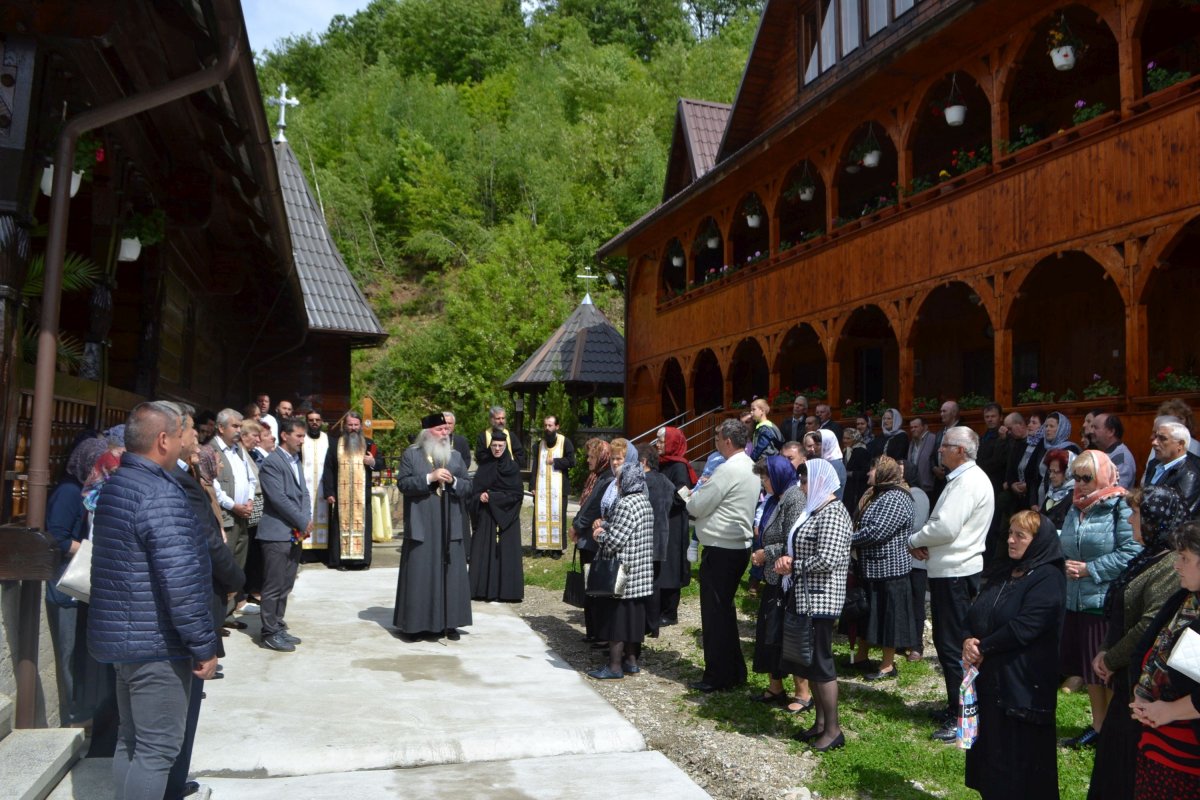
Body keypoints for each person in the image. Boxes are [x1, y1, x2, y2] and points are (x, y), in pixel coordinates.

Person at [88, 402, 218, 799]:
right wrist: (202, 643)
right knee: (157, 750)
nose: (186, 442)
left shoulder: (118, 484)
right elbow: (181, 580)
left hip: (126, 642)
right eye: (182, 434)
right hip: (156, 644)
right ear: (164, 439)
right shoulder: (160, 493)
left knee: (132, 740)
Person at [1088, 486, 1189, 800]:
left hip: (1139, 682)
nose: (1131, 519)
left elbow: (1149, 623)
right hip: (1124, 676)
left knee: (1125, 765)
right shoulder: (1149, 556)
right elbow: (1120, 606)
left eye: (1137, 513)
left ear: (1156, 519)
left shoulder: (1173, 565)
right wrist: (1105, 651)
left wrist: (1111, 658)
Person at [167, 404, 244, 800]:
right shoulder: (177, 483)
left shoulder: (178, 475)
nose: (198, 435)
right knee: (177, 710)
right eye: (191, 429)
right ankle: (171, 783)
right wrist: (235, 579)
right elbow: (206, 543)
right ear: (169, 436)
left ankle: (174, 778)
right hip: (192, 601)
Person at [962, 511, 1066, 799]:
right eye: (1010, 532)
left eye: (1020, 535)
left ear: (1038, 541)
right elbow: (976, 611)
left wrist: (983, 647)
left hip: (1023, 688)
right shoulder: (1005, 571)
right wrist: (968, 640)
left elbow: (1026, 627)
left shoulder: (1048, 578)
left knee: (1019, 767)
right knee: (992, 761)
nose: (1011, 540)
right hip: (991, 684)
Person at [907, 425, 994, 742]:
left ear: (961, 450)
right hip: (951, 568)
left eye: (944, 446)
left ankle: (963, 716)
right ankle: (954, 706)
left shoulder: (968, 482)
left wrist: (915, 538)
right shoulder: (963, 479)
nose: (939, 450)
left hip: (956, 571)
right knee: (950, 645)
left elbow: (946, 527)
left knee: (954, 647)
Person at [1059, 450, 1139, 749]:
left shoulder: (1119, 505)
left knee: (1107, 667)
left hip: (1105, 599)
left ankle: (1116, 731)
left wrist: (1090, 569)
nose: (1079, 484)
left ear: (1103, 476)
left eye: (1086, 477)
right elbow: (1066, 543)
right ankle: (1098, 725)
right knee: (1088, 667)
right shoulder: (1075, 507)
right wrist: (1064, 562)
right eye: (1075, 477)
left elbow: (1133, 551)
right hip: (1076, 598)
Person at [779, 458, 853, 752]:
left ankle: (833, 730)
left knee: (822, 662)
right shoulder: (816, 509)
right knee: (811, 662)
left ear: (821, 481)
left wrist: (793, 565)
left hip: (822, 597)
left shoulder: (834, 512)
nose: (802, 486)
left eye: (806, 481)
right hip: (807, 595)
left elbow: (828, 559)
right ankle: (821, 725)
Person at [685, 418, 759, 692]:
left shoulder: (728, 469)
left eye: (717, 438)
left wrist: (690, 501)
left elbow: (699, 504)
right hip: (737, 547)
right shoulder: (750, 466)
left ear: (728, 441)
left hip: (721, 548)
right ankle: (734, 670)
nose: (715, 442)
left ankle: (717, 675)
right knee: (725, 612)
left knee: (715, 616)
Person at [1128, 520, 1200, 798]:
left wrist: (1168, 711)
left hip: (1188, 758)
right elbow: (1150, 649)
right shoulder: (1185, 599)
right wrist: (1142, 695)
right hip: (1157, 741)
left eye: (1185, 558)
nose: (1176, 565)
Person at [45, 435, 107, 726]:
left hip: (79, 587)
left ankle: (83, 710)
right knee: (68, 655)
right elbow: (56, 538)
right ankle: (72, 713)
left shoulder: (84, 491)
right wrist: (92, 551)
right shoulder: (69, 492)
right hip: (65, 587)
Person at [393, 413, 473, 640]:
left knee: (451, 574)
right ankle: (416, 626)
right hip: (423, 525)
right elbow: (404, 484)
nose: (445, 433)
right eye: (440, 430)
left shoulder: (455, 457)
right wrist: (429, 478)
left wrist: (454, 482)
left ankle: (450, 624)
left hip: (450, 525)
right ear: (427, 432)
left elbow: (468, 487)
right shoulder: (412, 454)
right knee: (421, 574)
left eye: (447, 430)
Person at [849, 456, 918, 680]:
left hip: (890, 570)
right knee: (867, 615)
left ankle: (888, 665)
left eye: (873, 469)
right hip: (870, 567)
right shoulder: (877, 493)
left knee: (889, 619)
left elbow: (876, 532)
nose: (869, 473)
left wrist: (846, 538)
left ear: (884, 473)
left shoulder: (897, 496)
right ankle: (861, 656)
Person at [749, 456, 809, 711]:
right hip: (773, 576)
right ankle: (775, 687)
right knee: (770, 632)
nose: (763, 483)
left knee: (789, 634)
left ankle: (803, 693)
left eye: (765, 477)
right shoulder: (776, 498)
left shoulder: (794, 498)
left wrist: (766, 553)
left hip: (788, 578)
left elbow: (794, 540)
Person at [587, 462, 655, 680]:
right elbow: (628, 529)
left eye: (618, 479)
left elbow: (614, 542)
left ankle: (614, 666)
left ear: (626, 480)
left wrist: (598, 534)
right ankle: (631, 661)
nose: (616, 482)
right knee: (633, 620)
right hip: (640, 573)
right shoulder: (644, 501)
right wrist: (607, 526)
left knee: (616, 621)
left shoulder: (626, 503)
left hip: (623, 574)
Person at [256, 416, 312, 653]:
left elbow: (304, 492)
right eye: (298, 436)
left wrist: (306, 519)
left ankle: (278, 624)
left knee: (286, 583)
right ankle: (269, 631)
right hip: (276, 532)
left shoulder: (295, 460)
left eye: (303, 436)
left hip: (294, 531)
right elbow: (278, 499)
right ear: (285, 436)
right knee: (274, 583)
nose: (302, 440)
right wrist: (302, 520)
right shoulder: (272, 463)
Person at [468, 432, 524, 602]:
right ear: (490, 446)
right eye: (494, 445)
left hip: (507, 518)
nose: (497, 449)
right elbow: (474, 492)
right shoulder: (485, 466)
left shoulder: (512, 468)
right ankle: (481, 589)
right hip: (486, 516)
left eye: (500, 446)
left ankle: (507, 592)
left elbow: (516, 495)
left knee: (506, 553)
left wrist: (493, 497)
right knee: (484, 552)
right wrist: (480, 497)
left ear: (506, 447)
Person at [321, 411, 378, 569]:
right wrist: (329, 492)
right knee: (340, 526)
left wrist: (372, 461)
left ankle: (362, 561)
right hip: (342, 496)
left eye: (356, 425)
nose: (353, 428)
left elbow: (380, 464)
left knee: (363, 526)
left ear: (360, 426)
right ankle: (341, 561)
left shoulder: (369, 443)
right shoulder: (335, 444)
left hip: (362, 495)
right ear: (344, 426)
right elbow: (328, 469)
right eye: (350, 425)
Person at [571, 438, 614, 641]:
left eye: (592, 456)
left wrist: (577, 526)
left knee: (594, 588)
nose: (588, 460)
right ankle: (593, 632)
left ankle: (598, 633)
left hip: (593, 540)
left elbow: (592, 508)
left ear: (602, 458)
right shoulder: (596, 477)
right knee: (589, 587)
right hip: (587, 538)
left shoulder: (606, 479)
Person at [656, 427, 695, 626]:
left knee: (671, 563)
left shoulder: (679, 466)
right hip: (661, 520)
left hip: (674, 520)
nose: (658, 444)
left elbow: (685, 494)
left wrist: (663, 502)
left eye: (662, 441)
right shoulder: (661, 464)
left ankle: (670, 612)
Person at [531, 414, 575, 555]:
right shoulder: (539, 445)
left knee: (558, 517)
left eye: (550, 425)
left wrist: (555, 461)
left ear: (557, 426)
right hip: (542, 488)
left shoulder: (565, 442)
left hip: (559, 488)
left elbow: (571, 461)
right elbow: (535, 467)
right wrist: (533, 486)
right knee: (540, 515)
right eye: (545, 425)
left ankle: (556, 549)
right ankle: (540, 546)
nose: (547, 428)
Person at [1144, 420, 1200, 518]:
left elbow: (1180, 515)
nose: (1154, 442)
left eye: (1162, 438)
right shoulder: (1153, 465)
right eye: (1156, 437)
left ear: (1180, 444)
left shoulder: (1189, 474)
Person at [300, 409, 332, 561]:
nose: (314, 423)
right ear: (307, 422)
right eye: (311, 420)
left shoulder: (328, 439)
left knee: (324, 517)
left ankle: (323, 553)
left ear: (322, 422)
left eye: (317, 420)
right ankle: (304, 553)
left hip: (322, 488)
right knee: (306, 515)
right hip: (305, 487)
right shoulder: (301, 439)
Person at [929, 401, 962, 505]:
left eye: (944, 411)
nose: (941, 414)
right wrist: (934, 468)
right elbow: (932, 455)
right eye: (941, 411)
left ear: (954, 413)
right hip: (939, 480)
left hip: (954, 480)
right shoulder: (940, 433)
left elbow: (962, 456)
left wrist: (946, 472)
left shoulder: (962, 431)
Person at [1092, 412, 1136, 490]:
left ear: (1111, 431)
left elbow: (1116, 491)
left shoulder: (1121, 458)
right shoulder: (1104, 453)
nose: (1091, 431)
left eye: (1096, 428)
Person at [1039, 448, 1075, 530]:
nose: (1051, 476)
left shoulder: (1073, 497)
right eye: (1050, 471)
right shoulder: (1051, 493)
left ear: (1068, 473)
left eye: (1056, 472)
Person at [841, 428, 870, 512]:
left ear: (855, 439)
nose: (845, 441)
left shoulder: (862, 451)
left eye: (848, 438)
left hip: (857, 489)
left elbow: (865, 472)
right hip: (848, 489)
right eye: (844, 438)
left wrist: (850, 474)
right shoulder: (846, 451)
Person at [905, 416, 935, 494]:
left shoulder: (932, 439)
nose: (912, 429)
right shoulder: (912, 442)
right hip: (914, 487)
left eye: (916, 427)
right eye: (911, 427)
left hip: (929, 488)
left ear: (925, 427)